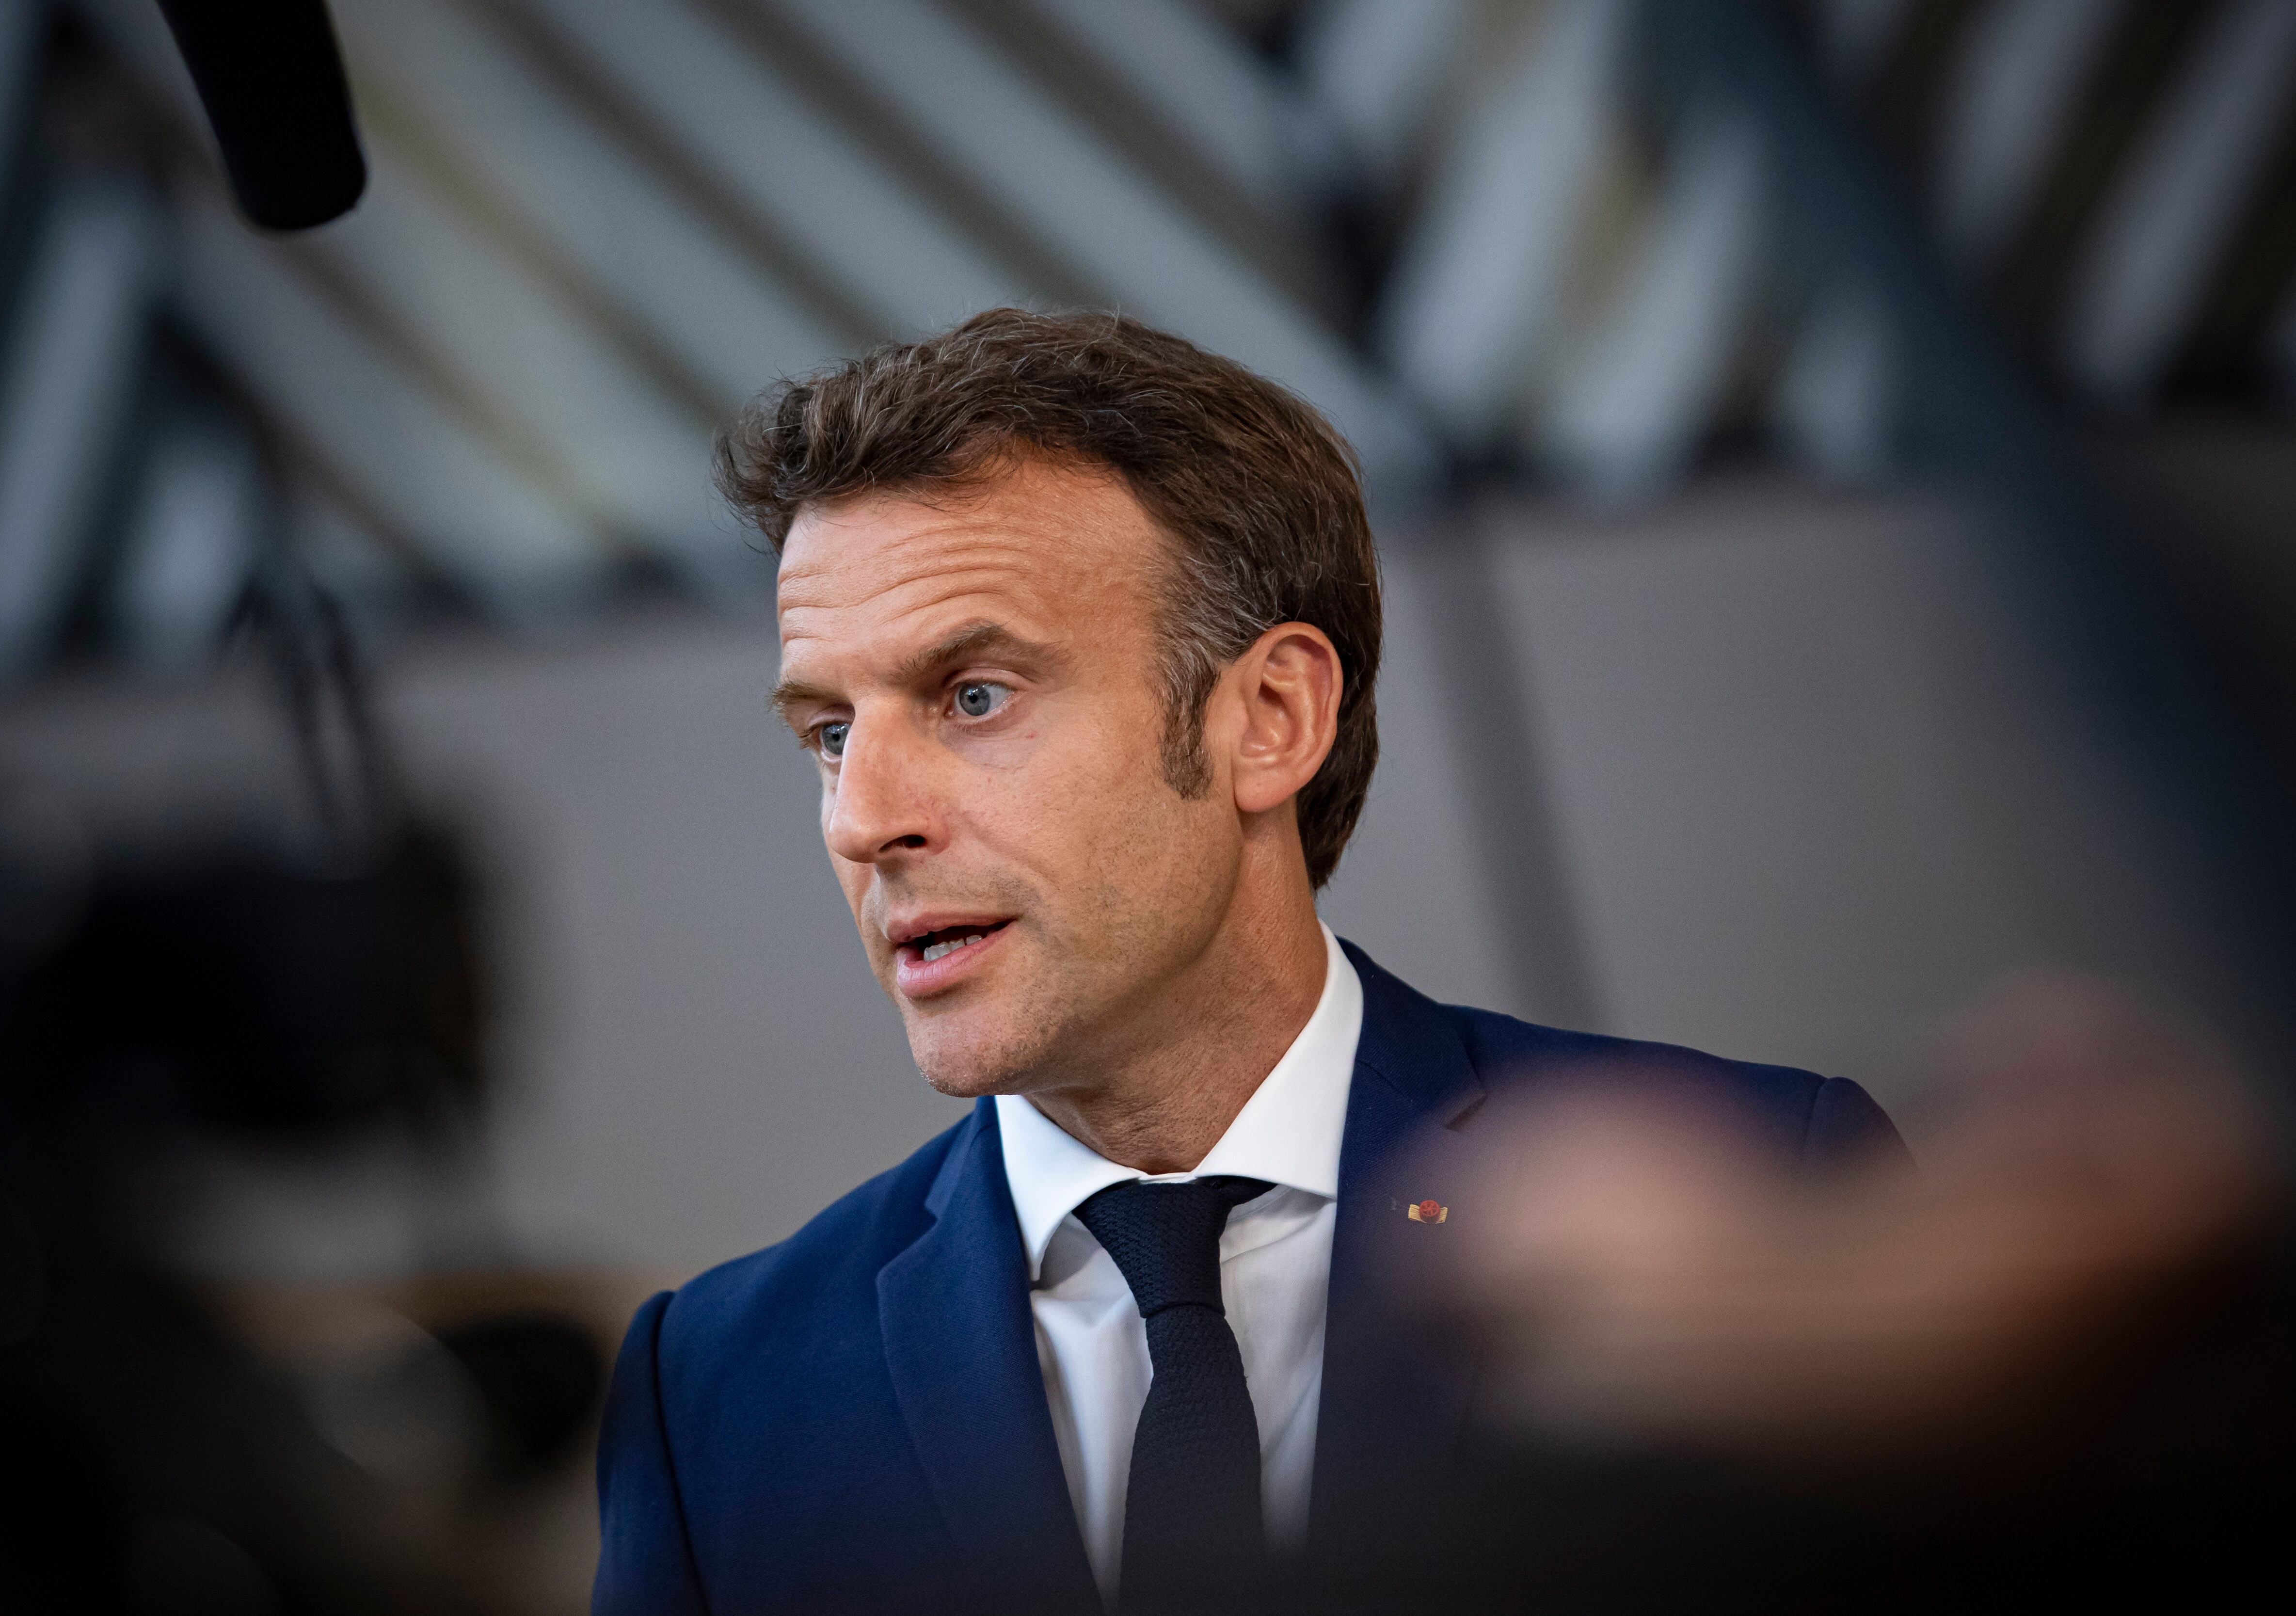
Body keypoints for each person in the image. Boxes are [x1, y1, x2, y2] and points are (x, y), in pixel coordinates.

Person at [589, 310, 1903, 1616]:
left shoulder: (1764, 1192)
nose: (863, 818)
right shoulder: (715, 1389)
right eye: (828, 731)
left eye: (973, 696)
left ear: (1270, 720)